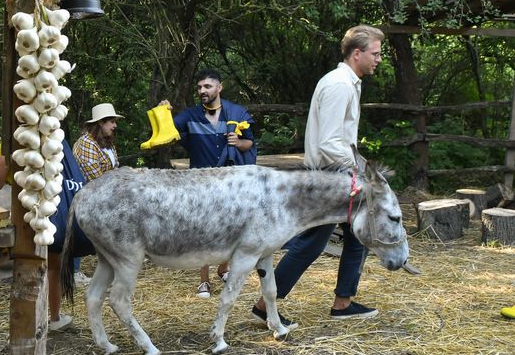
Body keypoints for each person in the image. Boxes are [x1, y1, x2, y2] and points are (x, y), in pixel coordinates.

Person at [252, 24, 384, 328]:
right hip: (330, 176)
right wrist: (359, 170)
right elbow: (328, 143)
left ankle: (343, 303)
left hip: (336, 173)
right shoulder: (339, 84)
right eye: (375, 54)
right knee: (311, 243)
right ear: (357, 53)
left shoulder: (349, 81)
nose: (378, 59)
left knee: (357, 235)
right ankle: (263, 307)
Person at [159, 68, 256, 298]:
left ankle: (223, 268)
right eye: (200, 87)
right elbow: (169, 129)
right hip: (200, 182)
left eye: (207, 86)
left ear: (219, 88)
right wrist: (165, 111)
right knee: (202, 231)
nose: (203, 91)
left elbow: (250, 143)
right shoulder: (191, 115)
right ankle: (204, 281)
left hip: (230, 182)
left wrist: (238, 142)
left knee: (231, 228)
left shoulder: (236, 113)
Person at [0, 137, 87, 332]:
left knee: (31, 267)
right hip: (51, 216)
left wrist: (7, 159)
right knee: (50, 267)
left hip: (25, 217)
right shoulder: (54, 138)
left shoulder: (16, 141)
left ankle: (33, 321)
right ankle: (52, 318)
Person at [73, 103, 123, 182]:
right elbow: (97, 181)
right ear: (100, 122)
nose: (115, 125)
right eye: (112, 122)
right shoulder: (86, 143)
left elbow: (115, 168)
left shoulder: (106, 141)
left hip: (109, 189)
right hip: (92, 192)